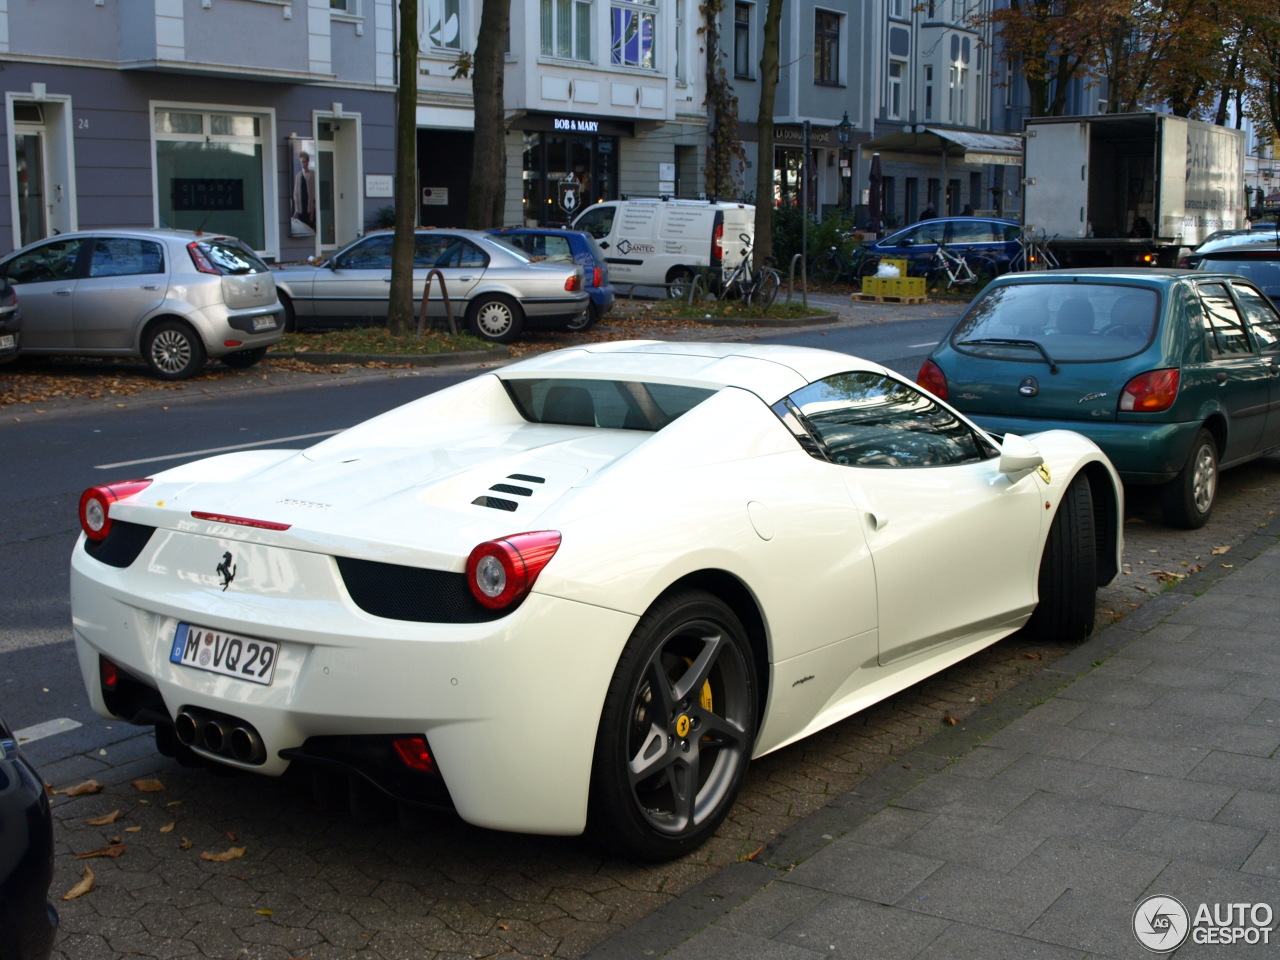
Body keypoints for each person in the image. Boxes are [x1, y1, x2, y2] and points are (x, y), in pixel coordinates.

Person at [293, 150, 317, 231]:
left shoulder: (312, 175)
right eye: (301, 162)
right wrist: (295, 213)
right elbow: (296, 194)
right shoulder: (298, 176)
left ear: (307, 162)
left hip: (309, 209)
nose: (303, 164)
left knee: (310, 229)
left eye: (304, 162)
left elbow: (314, 195)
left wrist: (312, 213)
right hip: (300, 209)